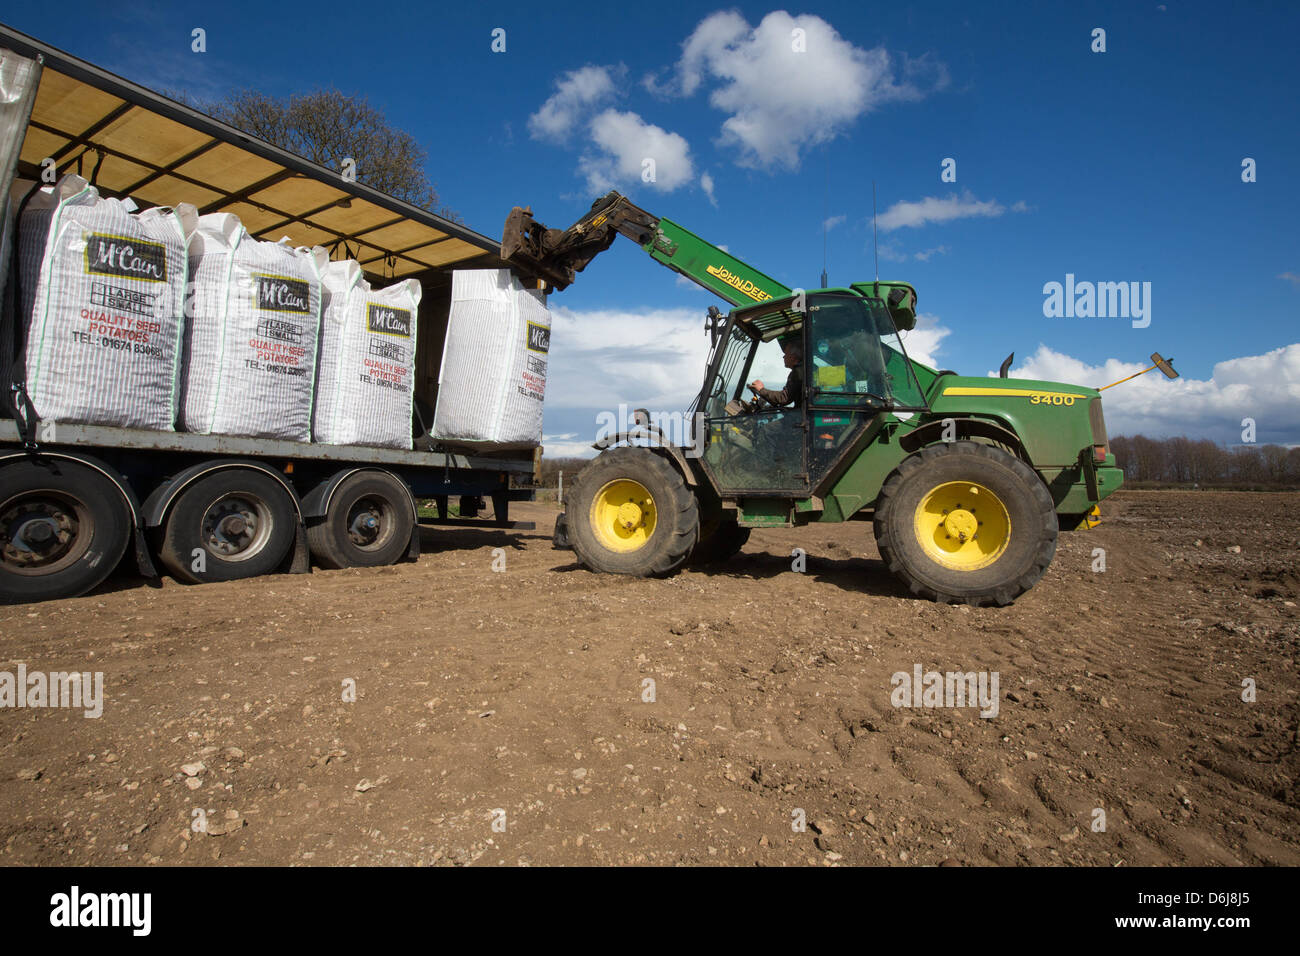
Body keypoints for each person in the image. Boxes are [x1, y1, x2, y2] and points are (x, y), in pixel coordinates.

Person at [748, 337, 803, 409]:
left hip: (804, 416)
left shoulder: (798, 372)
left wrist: (761, 389)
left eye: (785, 354)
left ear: (793, 357)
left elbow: (784, 398)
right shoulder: (802, 371)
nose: (783, 357)